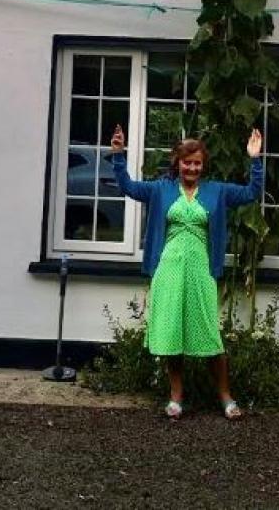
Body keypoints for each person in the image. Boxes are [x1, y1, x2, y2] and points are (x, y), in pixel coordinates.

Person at [110, 124, 263, 419]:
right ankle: (176, 396)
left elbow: (251, 193)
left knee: (209, 333)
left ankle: (225, 396)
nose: (192, 167)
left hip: (201, 270)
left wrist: (254, 160)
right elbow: (128, 186)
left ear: (203, 166)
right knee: (171, 333)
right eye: (187, 162)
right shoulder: (160, 188)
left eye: (197, 163)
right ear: (177, 163)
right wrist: (118, 154)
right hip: (167, 269)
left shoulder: (217, 191)